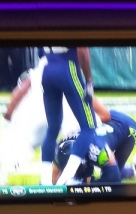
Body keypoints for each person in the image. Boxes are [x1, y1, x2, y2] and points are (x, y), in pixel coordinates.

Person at [0, 56, 110, 187]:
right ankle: (69, 178)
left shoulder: (45, 65)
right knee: (76, 139)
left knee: (63, 140)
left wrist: (6, 118)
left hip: (42, 111)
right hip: (53, 107)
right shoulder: (66, 64)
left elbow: (21, 90)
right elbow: (102, 114)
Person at [39, 46, 97, 185]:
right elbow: (82, 49)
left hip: (47, 69)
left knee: (52, 128)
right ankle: (65, 179)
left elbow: (40, 53)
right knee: (88, 127)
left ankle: (45, 181)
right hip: (67, 67)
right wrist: (89, 80)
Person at [54, 104, 136, 185]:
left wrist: (88, 185)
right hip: (103, 129)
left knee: (115, 174)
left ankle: (131, 171)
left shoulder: (97, 150)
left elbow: (114, 178)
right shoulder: (61, 149)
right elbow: (53, 179)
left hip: (127, 128)